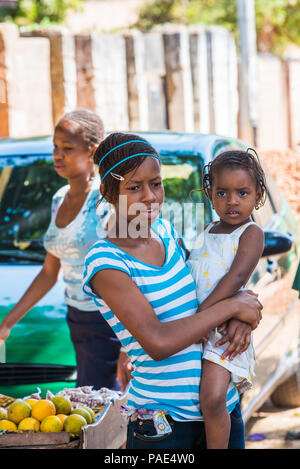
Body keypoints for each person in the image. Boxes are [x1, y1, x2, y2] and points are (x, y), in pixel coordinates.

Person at [82, 133, 263, 449]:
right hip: (162, 427)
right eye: (134, 187)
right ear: (108, 192)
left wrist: (241, 317)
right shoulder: (106, 262)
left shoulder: (166, 233)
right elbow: (159, 342)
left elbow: (213, 286)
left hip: (221, 412)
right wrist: (232, 308)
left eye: (156, 183)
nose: (151, 196)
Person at [0, 109, 121, 391]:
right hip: (77, 318)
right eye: (55, 147)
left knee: (104, 408)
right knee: (89, 402)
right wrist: (7, 323)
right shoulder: (58, 200)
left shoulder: (107, 202)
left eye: (67, 148)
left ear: (92, 152)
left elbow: (129, 270)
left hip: (109, 321)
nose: (58, 155)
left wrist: (131, 343)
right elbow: (48, 272)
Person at [186, 149, 266, 449]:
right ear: (210, 193)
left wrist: (201, 317)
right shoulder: (207, 230)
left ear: (258, 195)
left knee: (212, 398)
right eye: (222, 192)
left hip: (221, 333)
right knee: (197, 399)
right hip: (200, 326)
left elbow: (234, 279)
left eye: (242, 192)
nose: (232, 201)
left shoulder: (251, 232)